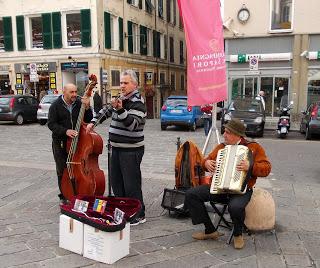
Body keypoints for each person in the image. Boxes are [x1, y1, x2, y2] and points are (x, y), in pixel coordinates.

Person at [184, 119, 271, 249]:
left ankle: (237, 234)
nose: (224, 135)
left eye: (228, 132)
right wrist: (206, 163)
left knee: (235, 207)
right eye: (225, 131)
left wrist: (251, 166)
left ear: (237, 135)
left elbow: (267, 168)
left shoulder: (253, 148)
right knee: (192, 194)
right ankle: (210, 230)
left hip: (242, 190)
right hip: (219, 188)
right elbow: (205, 161)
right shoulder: (221, 148)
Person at [86, 70, 147, 226]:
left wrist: (120, 110)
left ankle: (138, 214)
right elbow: (105, 110)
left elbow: (132, 125)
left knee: (131, 184)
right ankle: (124, 210)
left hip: (131, 150)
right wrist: (93, 122)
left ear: (135, 84)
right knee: (117, 183)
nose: (122, 86)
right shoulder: (121, 98)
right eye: (121, 83)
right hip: (116, 148)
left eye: (125, 83)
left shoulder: (138, 102)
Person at [47, 83, 92, 204]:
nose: (75, 95)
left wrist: (87, 107)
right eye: (71, 92)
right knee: (63, 169)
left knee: (77, 167)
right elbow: (51, 124)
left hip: (77, 142)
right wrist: (65, 131)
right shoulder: (55, 106)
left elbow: (88, 119)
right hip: (61, 142)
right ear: (64, 92)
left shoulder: (79, 103)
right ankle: (64, 195)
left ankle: (78, 191)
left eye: (76, 92)